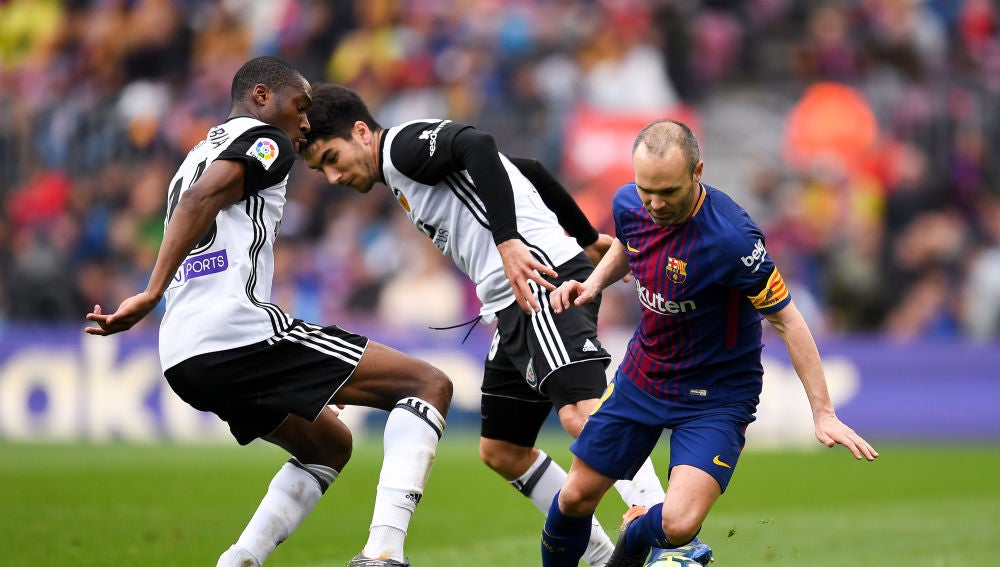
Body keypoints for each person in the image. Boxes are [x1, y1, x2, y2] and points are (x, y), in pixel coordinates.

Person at [84, 56, 452, 567]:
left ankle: (240, 559)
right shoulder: (267, 140)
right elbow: (202, 199)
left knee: (328, 445)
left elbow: (198, 201)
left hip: (184, 353)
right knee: (427, 385)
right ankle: (384, 554)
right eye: (299, 107)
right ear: (261, 96)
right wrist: (150, 291)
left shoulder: (198, 152)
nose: (305, 122)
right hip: (236, 333)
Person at [299, 83, 669, 566]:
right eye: (320, 170)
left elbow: (478, 144)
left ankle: (664, 530)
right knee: (503, 450)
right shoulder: (399, 172)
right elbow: (526, 169)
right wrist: (584, 235)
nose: (332, 176)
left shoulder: (402, 148)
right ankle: (602, 556)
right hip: (512, 303)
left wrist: (509, 241)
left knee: (579, 410)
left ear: (361, 132)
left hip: (540, 283)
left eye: (331, 158)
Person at [539, 119, 880, 567]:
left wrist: (823, 412)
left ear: (697, 172)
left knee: (678, 523)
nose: (655, 204)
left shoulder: (733, 239)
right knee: (575, 497)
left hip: (716, 395)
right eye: (646, 190)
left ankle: (637, 531)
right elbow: (627, 245)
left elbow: (787, 320)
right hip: (645, 376)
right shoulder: (628, 203)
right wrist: (593, 284)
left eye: (669, 192)